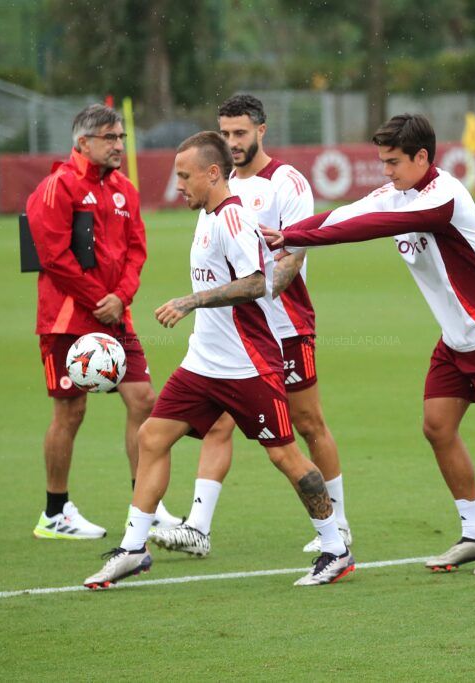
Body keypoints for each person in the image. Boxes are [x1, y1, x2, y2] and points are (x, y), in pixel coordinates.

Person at [268, 114, 475, 575]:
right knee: (436, 427)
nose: (386, 171)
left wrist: (294, 236)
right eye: (382, 162)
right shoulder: (396, 193)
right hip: (456, 340)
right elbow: (347, 213)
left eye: (394, 162)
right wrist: (287, 231)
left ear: (422, 157)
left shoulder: (444, 198)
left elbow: (368, 227)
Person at [83, 132, 352, 589]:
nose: (179, 185)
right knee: (152, 436)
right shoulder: (207, 214)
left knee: (285, 455)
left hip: (248, 364)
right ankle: (133, 549)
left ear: (212, 173)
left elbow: (255, 282)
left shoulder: (232, 220)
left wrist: (192, 301)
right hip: (202, 364)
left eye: (185, 176)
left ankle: (335, 547)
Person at [148, 94, 350, 559]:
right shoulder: (215, 184)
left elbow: (293, 256)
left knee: (308, 423)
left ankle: (338, 524)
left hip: (286, 326)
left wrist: (261, 293)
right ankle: (198, 526)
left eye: (241, 133)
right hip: (236, 337)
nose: (233, 142)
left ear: (262, 130)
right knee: (217, 422)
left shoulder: (287, 182)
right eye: (225, 134)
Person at [25, 103, 181, 540]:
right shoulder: (58, 187)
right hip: (66, 319)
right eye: (110, 138)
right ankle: (55, 512)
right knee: (71, 410)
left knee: (144, 400)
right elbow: (53, 257)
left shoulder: (125, 189)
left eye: (121, 138)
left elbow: (137, 249)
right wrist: (99, 299)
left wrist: (121, 297)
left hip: (116, 316)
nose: (118, 145)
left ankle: (144, 505)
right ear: (83, 142)